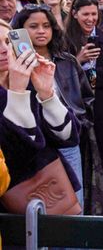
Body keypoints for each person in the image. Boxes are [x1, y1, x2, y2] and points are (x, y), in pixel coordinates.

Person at [12, 4, 98, 211]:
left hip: (68, 141)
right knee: (47, 206)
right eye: (33, 26)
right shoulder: (17, 66)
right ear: (21, 31)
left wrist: (79, 123)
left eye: (46, 26)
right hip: (38, 147)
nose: (41, 31)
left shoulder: (67, 61)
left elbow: (86, 98)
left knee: (74, 204)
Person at [0, 18, 81, 211]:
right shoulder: (20, 84)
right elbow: (22, 151)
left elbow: (69, 136)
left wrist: (47, 94)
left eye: (7, 42)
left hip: (58, 191)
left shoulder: (28, 80)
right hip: (15, 206)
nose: (4, 50)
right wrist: (17, 93)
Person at [65, 0, 103, 202]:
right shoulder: (65, 40)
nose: (90, 19)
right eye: (85, 14)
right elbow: (60, 73)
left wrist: (94, 78)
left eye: (93, 14)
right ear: (74, 13)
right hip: (75, 105)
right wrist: (77, 61)